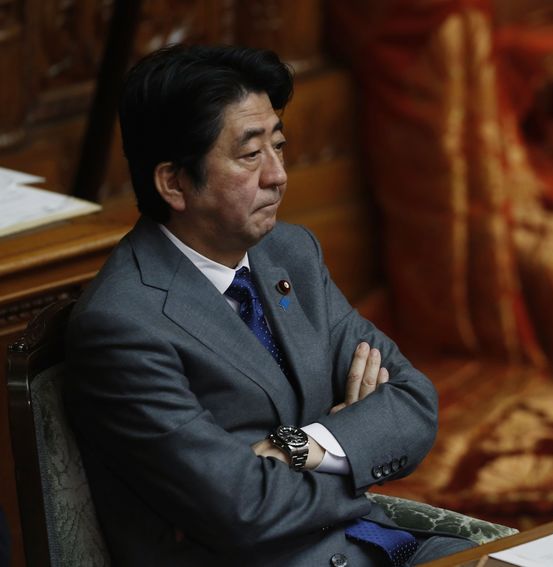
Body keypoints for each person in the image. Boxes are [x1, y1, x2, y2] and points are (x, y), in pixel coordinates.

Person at [64, 44, 474, 566]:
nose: (278, 174)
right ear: (174, 182)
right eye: (251, 154)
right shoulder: (122, 324)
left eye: (279, 147)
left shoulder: (289, 253)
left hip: (386, 545)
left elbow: (414, 403)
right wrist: (356, 450)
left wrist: (299, 446)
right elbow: (244, 507)